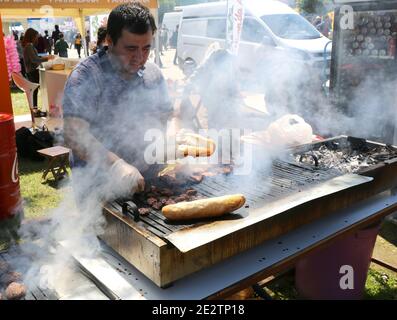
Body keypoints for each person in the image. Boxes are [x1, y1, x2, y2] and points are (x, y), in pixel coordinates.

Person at [62, 2, 181, 201]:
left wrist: (170, 140)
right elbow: (75, 135)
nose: (140, 57)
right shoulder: (86, 77)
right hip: (98, 189)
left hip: (147, 182)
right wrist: (117, 165)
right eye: (131, 48)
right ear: (109, 40)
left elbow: (165, 117)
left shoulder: (153, 74)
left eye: (146, 48)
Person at [22, 28, 54, 114]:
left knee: (35, 90)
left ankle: (35, 109)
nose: (37, 38)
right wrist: (47, 58)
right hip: (32, 71)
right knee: (35, 90)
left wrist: (44, 58)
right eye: (36, 36)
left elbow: (34, 58)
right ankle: (35, 110)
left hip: (31, 71)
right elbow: (34, 59)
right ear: (32, 36)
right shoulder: (29, 46)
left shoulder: (28, 46)